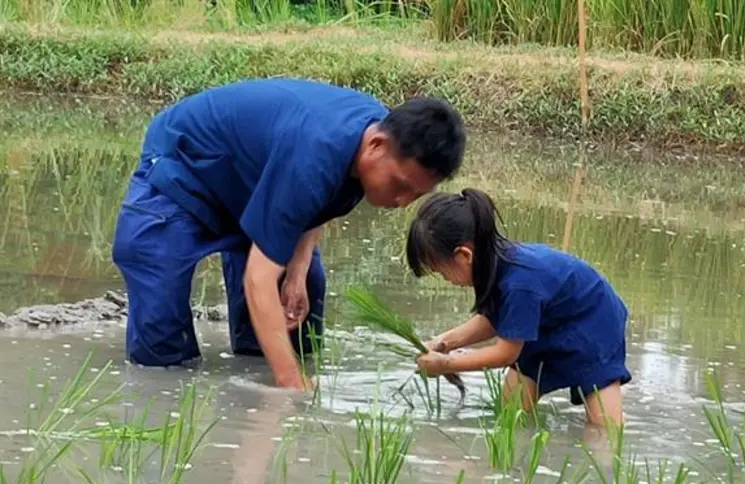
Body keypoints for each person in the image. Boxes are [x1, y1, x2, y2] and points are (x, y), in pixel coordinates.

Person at [111, 77, 466, 391]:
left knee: (303, 285)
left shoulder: (372, 139)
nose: (401, 202)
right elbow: (258, 279)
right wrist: (291, 387)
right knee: (162, 339)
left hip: (256, 177)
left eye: (415, 195)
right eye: (399, 186)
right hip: (186, 164)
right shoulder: (317, 154)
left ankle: (259, 362)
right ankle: (167, 386)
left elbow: (317, 200)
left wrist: (295, 272)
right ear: (375, 146)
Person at [405, 188, 631, 426]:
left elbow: (505, 353)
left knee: (605, 431)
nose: (446, 279)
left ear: (463, 255)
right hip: (546, 325)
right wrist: (444, 342)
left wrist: (445, 364)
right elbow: (493, 319)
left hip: (594, 324)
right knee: (510, 418)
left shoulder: (520, 283)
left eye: (441, 272)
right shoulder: (495, 265)